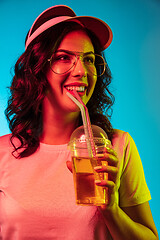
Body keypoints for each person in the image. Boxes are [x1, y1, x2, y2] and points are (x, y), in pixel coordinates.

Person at [0, 4, 158, 240]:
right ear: (36, 70)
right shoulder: (3, 152)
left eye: (89, 59)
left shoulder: (116, 146)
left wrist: (112, 210)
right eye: (64, 58)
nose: (82, 71)